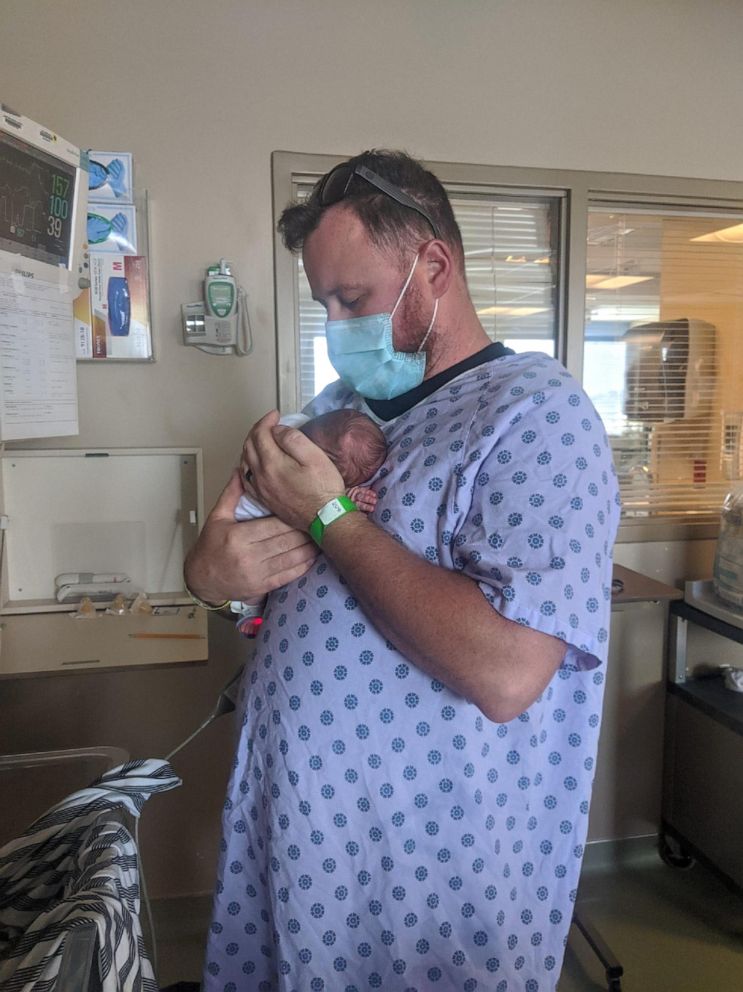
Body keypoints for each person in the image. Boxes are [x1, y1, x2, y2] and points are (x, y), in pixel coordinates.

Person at [186, 150, 621, 991]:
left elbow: (504, 673)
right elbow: (246, 582)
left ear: (433, 266)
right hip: (303, 839)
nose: (338, 325)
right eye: (325, 305)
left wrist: (329, 514)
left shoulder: (536, 414)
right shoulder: (331, 419)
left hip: (427, 874)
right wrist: (212, 576)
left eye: (354, 299)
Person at [231, 409, 387, 635]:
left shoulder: (302, 425)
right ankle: (250, 609)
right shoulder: (287, 445)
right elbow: (312, 494)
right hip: (249, 518)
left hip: (285, 528)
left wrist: (347, 496)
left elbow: (324, 497)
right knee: (258, 571)